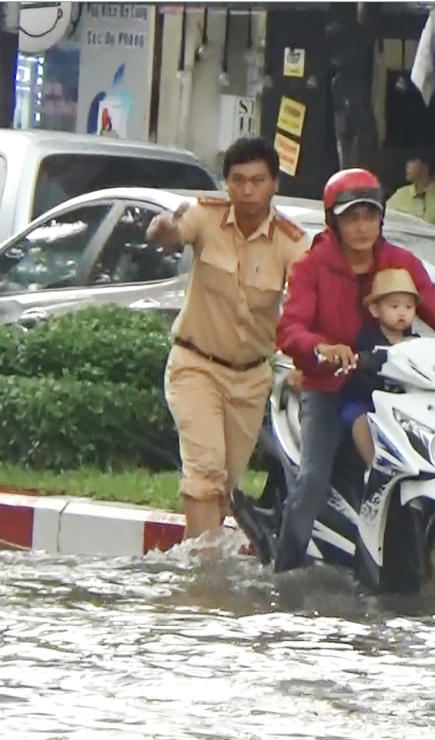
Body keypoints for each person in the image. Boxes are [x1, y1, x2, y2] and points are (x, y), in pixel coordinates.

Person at [273, 168, 435, 573]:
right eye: (352, 217)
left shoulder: (400, 263)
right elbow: (290, 328)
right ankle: (284, 570)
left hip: (396, 390)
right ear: (334, 221)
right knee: (312, 481)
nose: (363, 226)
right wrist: (322, 349)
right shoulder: (311, 267)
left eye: (370, 215)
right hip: (329, 390)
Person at [146, 136, 309, 542]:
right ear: (226, 184)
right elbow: (169, 234)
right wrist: (164, 229)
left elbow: (305, 306)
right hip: (195, 364)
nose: (248, 191)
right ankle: (204, 570)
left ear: (275, 184)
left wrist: (305, 362)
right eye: (238, 180)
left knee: (225, 487)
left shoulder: (292, 242)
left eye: (258, 180)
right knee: (205, 473)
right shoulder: (206, 215)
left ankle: (203, 565)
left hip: (251, 378)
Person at [341, 268, 421, 468]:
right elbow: (357, 364)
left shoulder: (415, 342)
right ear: (376, 310)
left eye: (408, 307)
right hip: (367, 400)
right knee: (358, 418)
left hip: (403, 405)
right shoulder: (367, 338)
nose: (402, 312)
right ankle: (374, 466)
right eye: (394, 306)